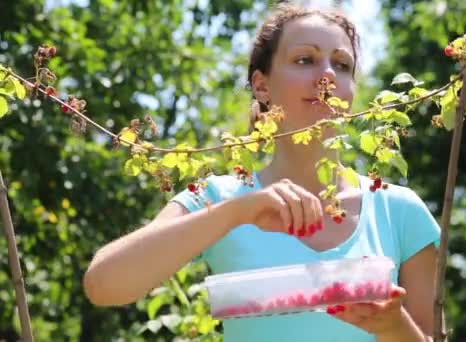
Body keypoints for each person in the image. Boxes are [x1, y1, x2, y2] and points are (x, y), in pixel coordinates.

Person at [83, 3, 440, 341]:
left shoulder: (399, 210)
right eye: (306, 59)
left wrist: (394, 326)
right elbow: (104, 285)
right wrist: (238, 212)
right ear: (261, 85)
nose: (328, 74)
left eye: (342, 65)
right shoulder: (217, 199)